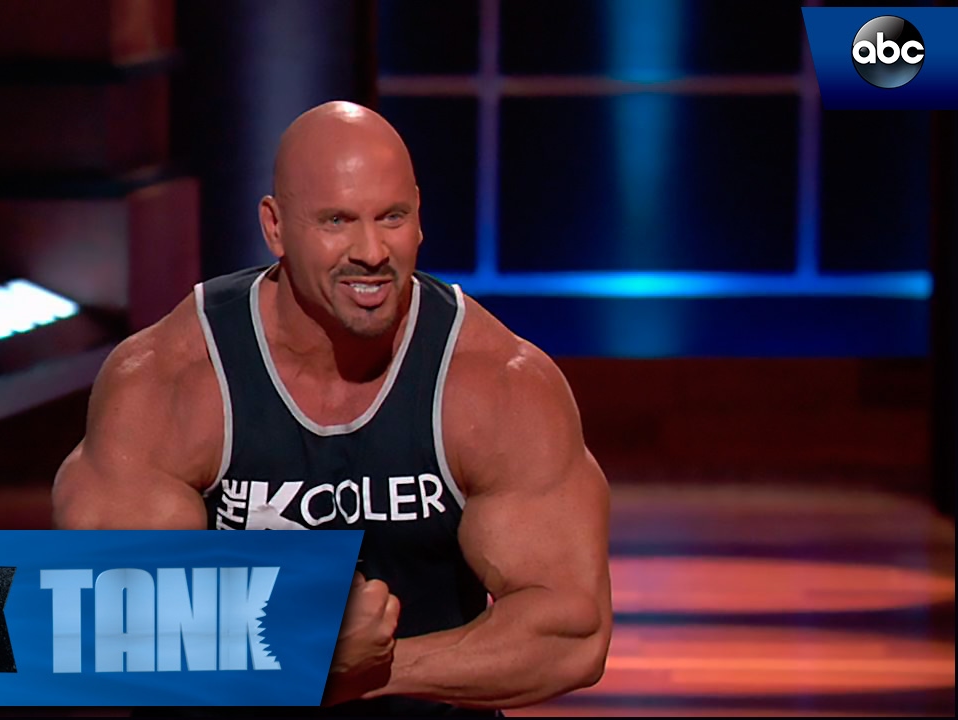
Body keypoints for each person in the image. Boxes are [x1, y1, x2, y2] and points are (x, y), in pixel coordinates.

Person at [52, 100, 612, 716]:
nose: (371, 250)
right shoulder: (172, 381)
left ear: (419, 217)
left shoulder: (497, 383)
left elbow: (572, 633)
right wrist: (299, 650)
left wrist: (360, 671)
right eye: (337, 221)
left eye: (392, 217)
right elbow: (104, 624)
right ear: (275, 227)